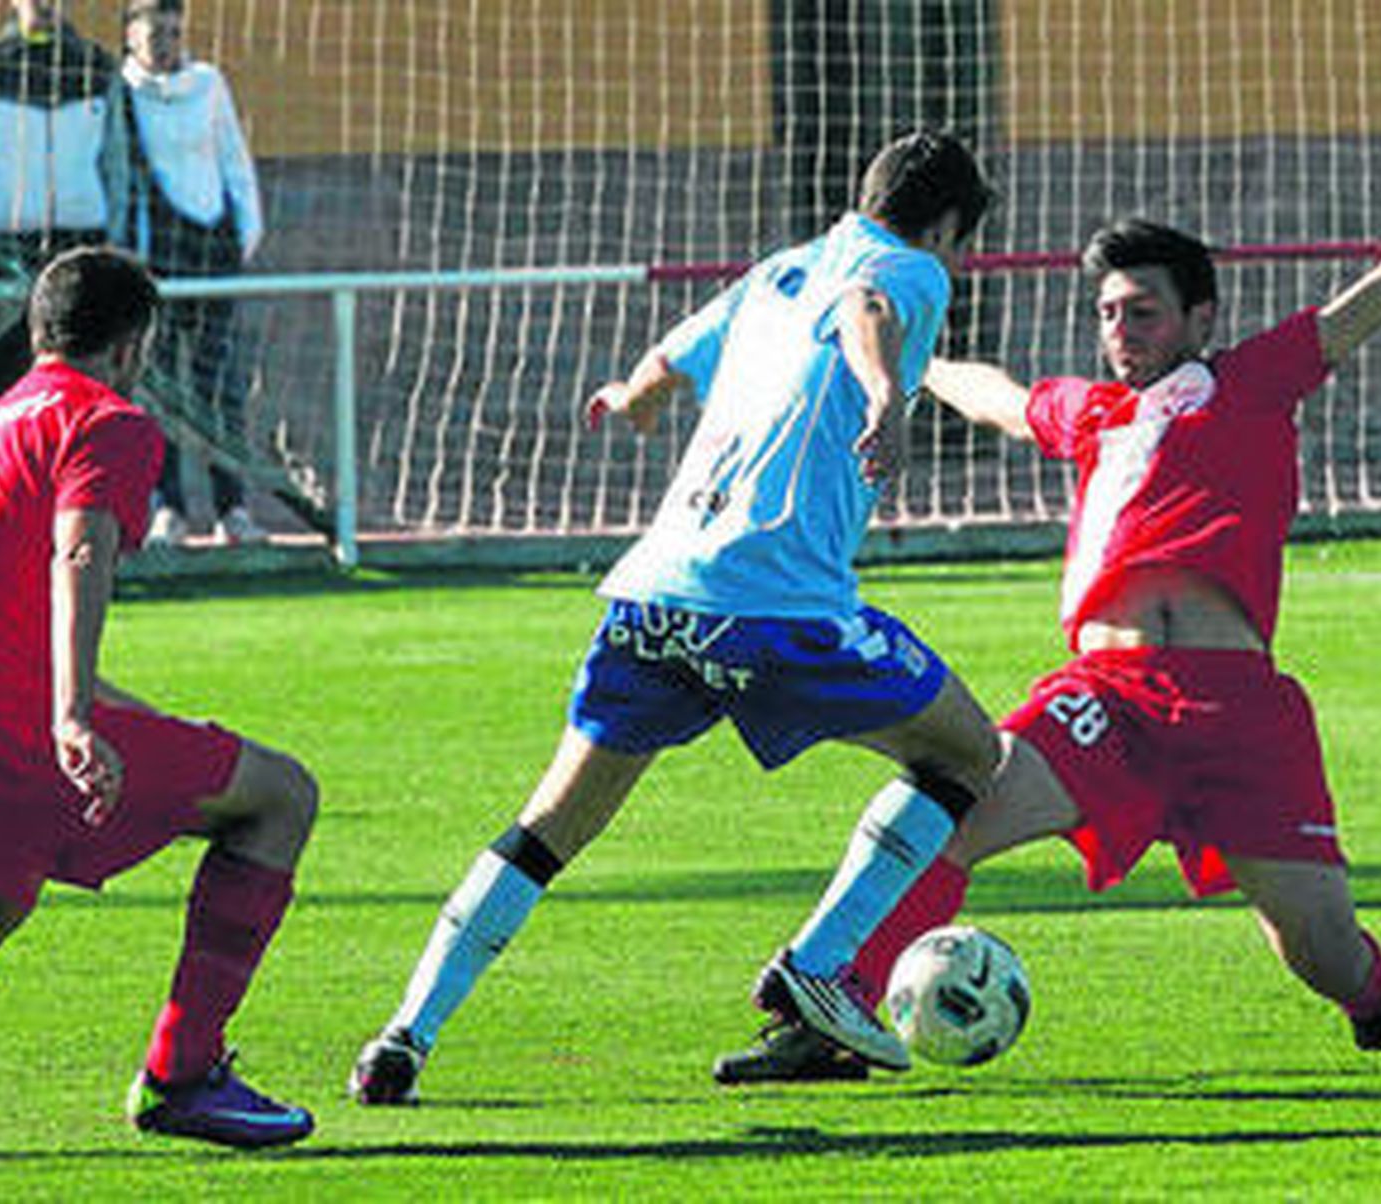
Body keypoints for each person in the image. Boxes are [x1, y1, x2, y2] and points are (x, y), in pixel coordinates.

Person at [715, 149, 1381, 1083]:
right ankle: (829, 1015)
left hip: (1239, 715)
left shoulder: (1254, 380)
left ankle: (1375, 998)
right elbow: (998, 394)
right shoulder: (1089, 414)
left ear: (1200, 318)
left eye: (1142, 311)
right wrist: (908, 362)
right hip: (1106, 702)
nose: (1120, 330)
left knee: (1323, 953)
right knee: (951, 815)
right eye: (1107, 314)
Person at [348, 130, 999, 1104]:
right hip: (776, 605)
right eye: (957, 243)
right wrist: (880, 395)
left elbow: (669, 357)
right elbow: (868, 311)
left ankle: (406, 1032)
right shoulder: (906, 272)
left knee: (548, 825)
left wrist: (634, 396)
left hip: (654, 593)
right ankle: (816, 964)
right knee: (968, 753)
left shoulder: (781, 266)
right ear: (946, 228)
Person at [0, 247, 317, 1155]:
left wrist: (88, 704)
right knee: (282, 797)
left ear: (38, 331)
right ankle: (183, 1076)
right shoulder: (107, 420)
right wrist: (74, 718)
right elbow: (79, 554)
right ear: (133, 347)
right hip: (4, 731)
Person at [121, 0, 269, 547]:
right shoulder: (122, 91)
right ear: (131, 33)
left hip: (212, 252)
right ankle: (169, 509)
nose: (165, 40)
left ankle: (233, 509)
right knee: (158, 391)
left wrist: (244, 235)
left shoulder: (208, 85)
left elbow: (234, 159)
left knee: (219, 388)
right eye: (154, 29)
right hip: (155, 257)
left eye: (174, 30)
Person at [0, 0, 131, 414]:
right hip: (1, 251)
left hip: (81, 247)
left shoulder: (99, 69)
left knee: (81, 391)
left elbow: (119, 167)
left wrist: (113, 245)